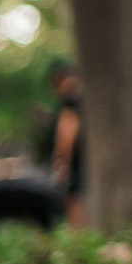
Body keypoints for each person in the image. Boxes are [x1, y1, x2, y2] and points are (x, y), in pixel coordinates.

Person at [46, 60, 85, 228]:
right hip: (78, 161)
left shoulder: (68, 107)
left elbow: (66, 136)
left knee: (73, 201)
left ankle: (77, 238)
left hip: (73, 162)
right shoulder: (77, 101)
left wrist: (61, 161)